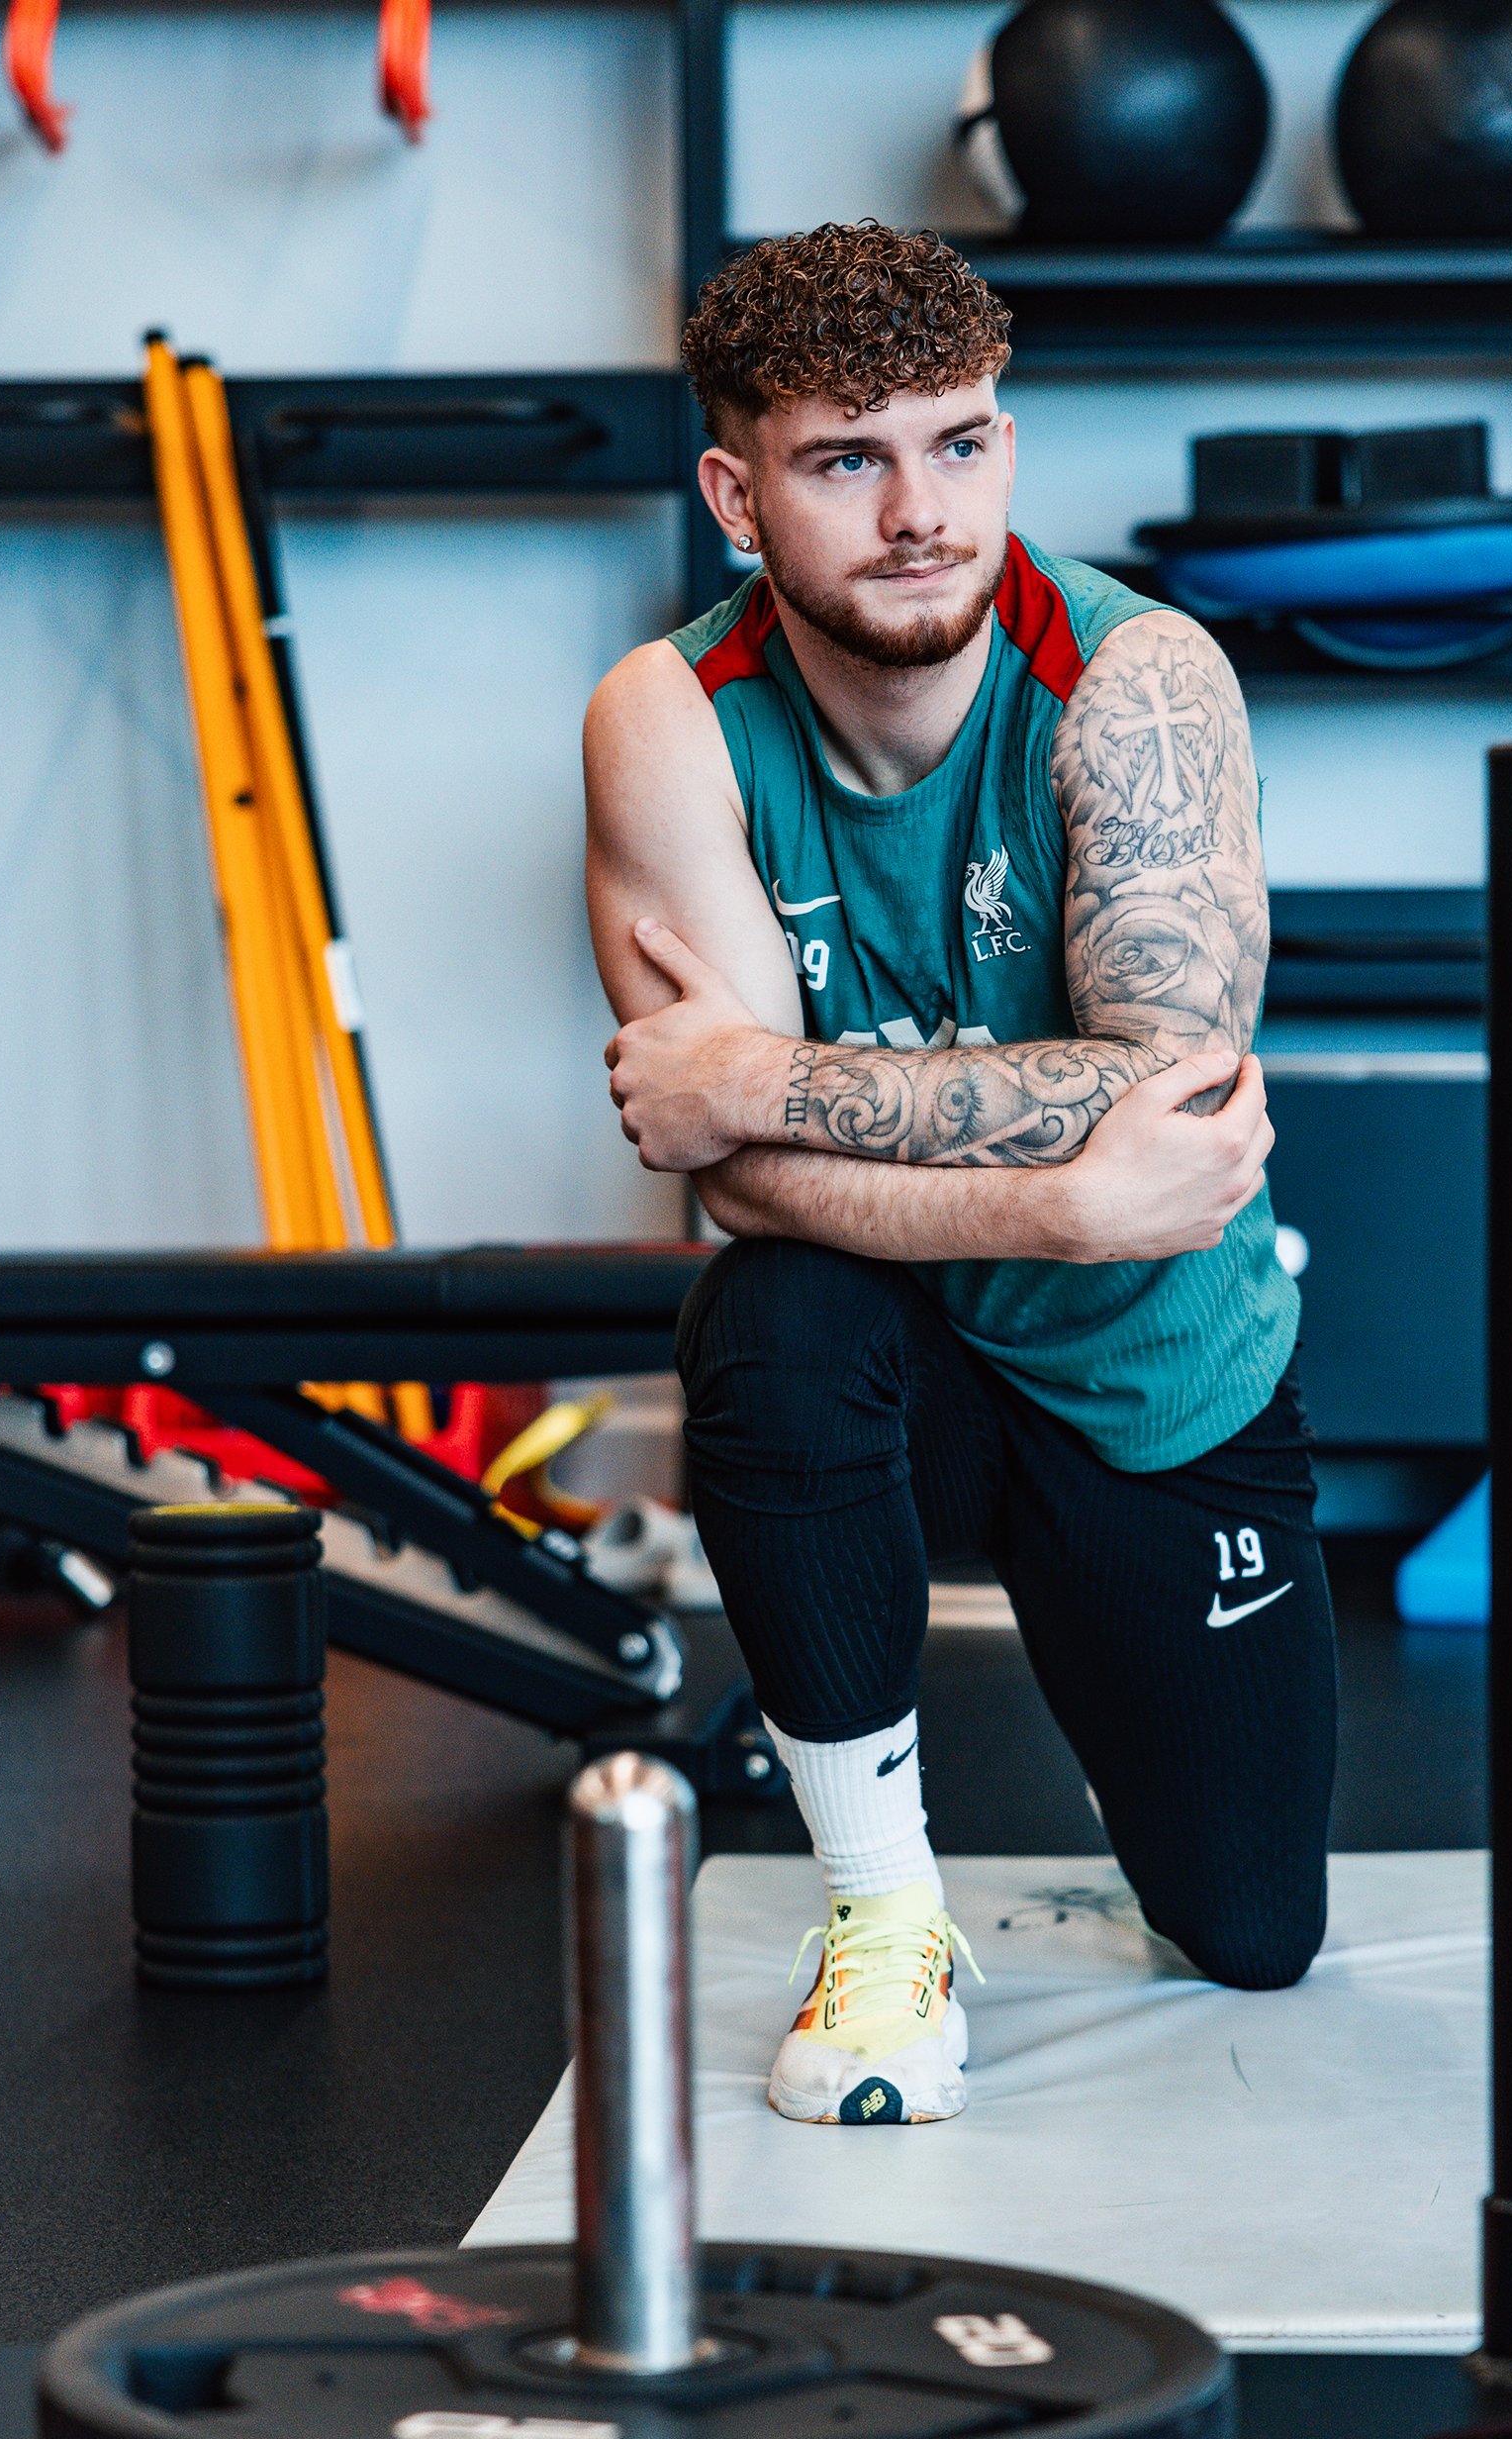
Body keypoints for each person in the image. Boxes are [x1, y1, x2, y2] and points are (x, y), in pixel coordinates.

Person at [583, 221, 1337, 2128]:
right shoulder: (667, 719)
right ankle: (884, 1910)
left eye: (965, 443)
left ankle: (1136, 1709)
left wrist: (765, 1078)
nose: (926, 512)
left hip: (1156, 1371)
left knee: (1248, 1931)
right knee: (769, 1319)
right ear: (736, 497)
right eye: (851, 459)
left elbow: (1159, 1116)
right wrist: (1063, 1183)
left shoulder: (1136, 682)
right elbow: (739, 1192)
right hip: (890, 1358)